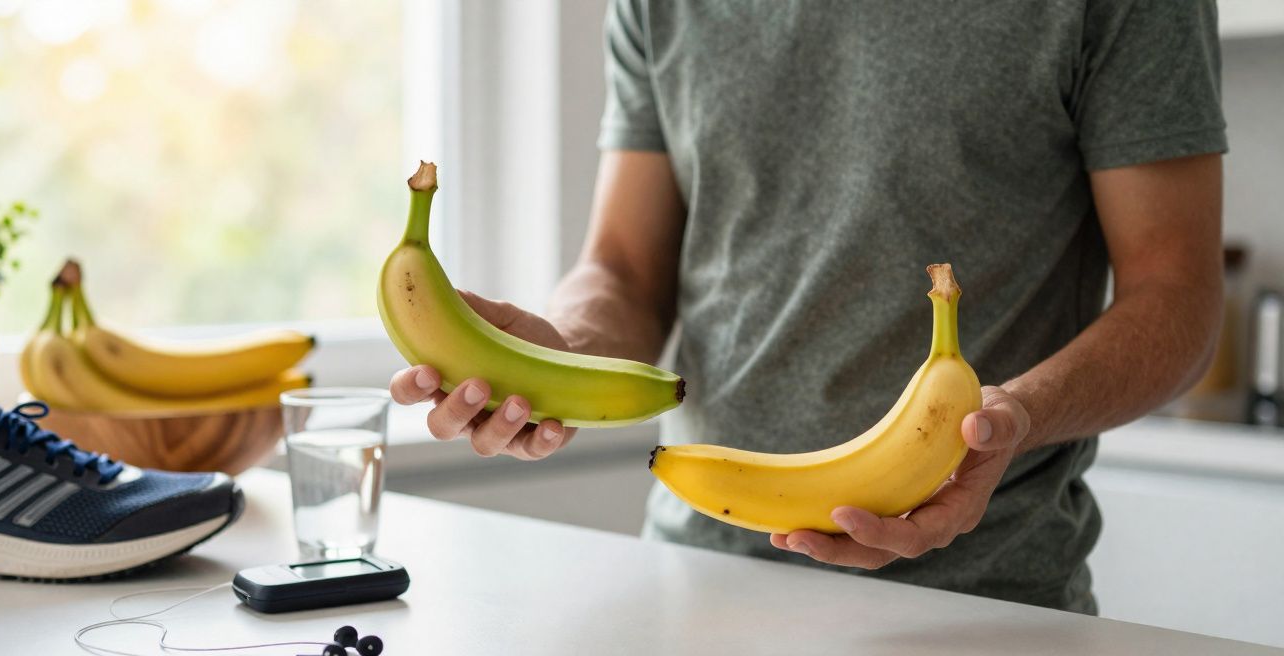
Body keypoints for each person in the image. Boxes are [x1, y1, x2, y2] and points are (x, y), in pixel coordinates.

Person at [389, 0, 1226, 613]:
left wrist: (1009, 417)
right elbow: (624, 269)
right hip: (696, 584)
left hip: (991, 608)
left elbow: (1177, 296)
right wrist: (565, 349)